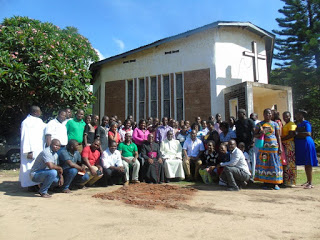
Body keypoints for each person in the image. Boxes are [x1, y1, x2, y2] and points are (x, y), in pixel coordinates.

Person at [254, 108, 283, 190]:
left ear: (272, 114)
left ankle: (275, 183)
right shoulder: (259, 124)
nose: (268, 115)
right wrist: (261, 133)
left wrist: (280, 147)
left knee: (274, 164)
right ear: (263, 114)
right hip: (264, 148)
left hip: (273, 148)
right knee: (264, 164)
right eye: (266, 113)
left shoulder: (275, 124)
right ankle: (265, 182)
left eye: (269, 113)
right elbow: (254, 135)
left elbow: (278, 136)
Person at [20, 106, 46, 190]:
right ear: (35, 112)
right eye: (39, 111)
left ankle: (36, 183)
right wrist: (28, 151)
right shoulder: (26, 122)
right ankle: (30, 185)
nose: (40, 113)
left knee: (37, 167)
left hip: (39, 149)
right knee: (29, 167)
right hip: (31, 151)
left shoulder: (39, 121)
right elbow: (25, 137)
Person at [294, 110, 318, 189]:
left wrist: (297, 133)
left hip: (306, 144)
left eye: (298, 115)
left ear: (302, 115)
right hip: (301, 145)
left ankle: (310, 182)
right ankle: (308, 181)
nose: (296, 116)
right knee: (305, 163)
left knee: (308, 163)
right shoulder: (298, 124)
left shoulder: (306, 123)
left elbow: (308, 133)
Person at [281, 111, 297, 187]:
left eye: (287, 116)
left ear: (290, 116)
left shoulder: (292, 124)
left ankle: (291, 181)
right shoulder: (286, 124)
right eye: (284, 116)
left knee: (290, 163)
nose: (285, 118)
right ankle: (286, 181)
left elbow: (291, 134)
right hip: (285, 144)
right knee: (286, 163)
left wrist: (281, 139)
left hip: (289, 144)